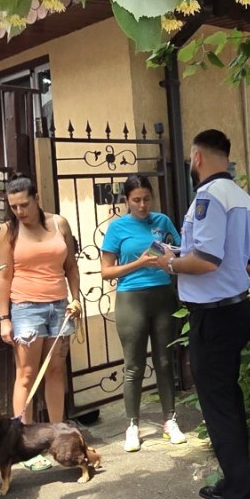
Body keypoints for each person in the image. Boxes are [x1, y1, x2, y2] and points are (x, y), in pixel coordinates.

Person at [169, 130, 250, 499]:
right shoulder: (245, 200)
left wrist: (168, 263)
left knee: (219, 408)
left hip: (214, 317)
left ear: (197, 157)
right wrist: (184, 258)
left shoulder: (208, 197)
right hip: (236, 310)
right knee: (229, 403)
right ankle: (235, 481)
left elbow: (206, 260)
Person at [0, 174, 82, 469]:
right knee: (26, 375)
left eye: (24, 205)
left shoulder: (59, 224)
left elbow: (71, 265)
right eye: (14, 207)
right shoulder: (9, 231)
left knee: (56, 371)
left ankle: (58, 439)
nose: (19, 211)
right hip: (25, 308)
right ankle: (24, 446)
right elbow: (3, 276)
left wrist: (75, 298)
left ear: (36, 198)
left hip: (59, 306)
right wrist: (4, 318)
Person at [100, 174, 186, 452]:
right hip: (131, 298)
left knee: (165, 361)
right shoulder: (117, 228)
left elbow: (181, 251)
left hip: (163, 295)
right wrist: (138, 263)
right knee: (134, 366)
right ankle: (132, 425)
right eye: (136, 200)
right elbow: (106, 272)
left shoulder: (162, 221)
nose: (142, 205)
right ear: (126, 200)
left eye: (146, 199)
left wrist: (170, 258)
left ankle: (169, 420)